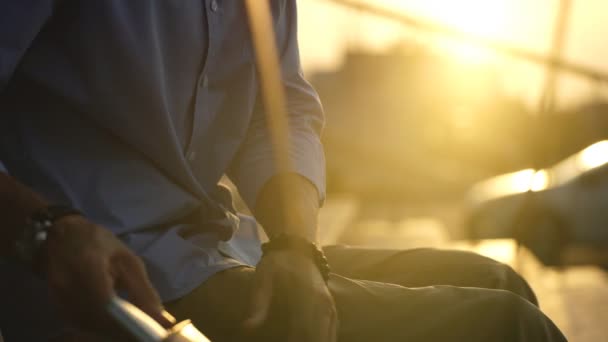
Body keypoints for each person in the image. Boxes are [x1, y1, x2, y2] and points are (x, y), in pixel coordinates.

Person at [0, 1, 566, 341]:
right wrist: (48, 233)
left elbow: (278, 113)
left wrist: (295, 247)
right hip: (111, 282)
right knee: (507, 329)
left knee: (496, 280)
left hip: (213, 250)